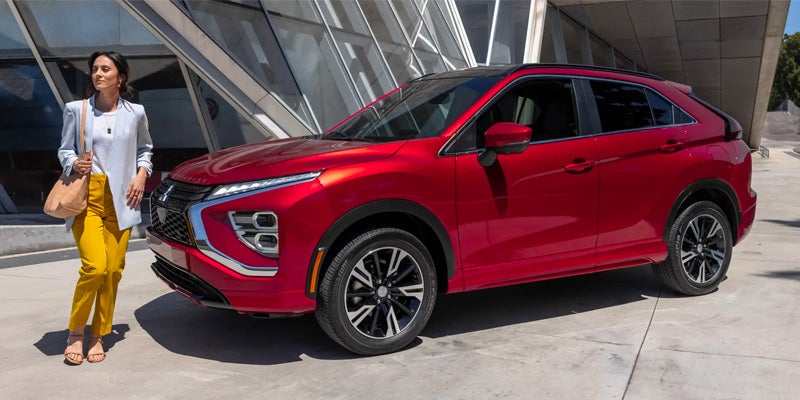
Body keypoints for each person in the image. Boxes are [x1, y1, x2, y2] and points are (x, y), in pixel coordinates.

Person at [58, 51, 153, 365]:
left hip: (123, 198)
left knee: (112, 272)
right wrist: (74, 161)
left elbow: (145, 149)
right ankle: (75, 332)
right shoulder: (77, 110)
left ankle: (98, 334)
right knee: (94, 267)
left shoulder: (136, 113)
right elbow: (64, 149)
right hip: (89, 197)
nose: (97, 73)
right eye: (94, 69)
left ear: (120, 77)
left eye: (105, 69)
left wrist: (141, 175)